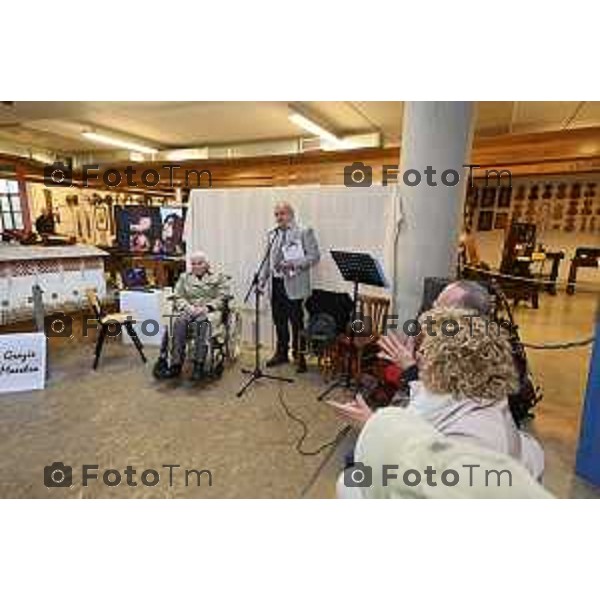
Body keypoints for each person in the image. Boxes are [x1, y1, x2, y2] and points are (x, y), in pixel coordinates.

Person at [330, 306, 545, 480]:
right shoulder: (479, 393)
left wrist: (374, 428)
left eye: (425, 352)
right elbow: (432, 408)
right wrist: (411, 370)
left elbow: (413, 477)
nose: (420, 356)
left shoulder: (470, 440)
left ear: (449, 364)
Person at [337, 406, 552, 499]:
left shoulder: (471, 437)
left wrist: (375, 424)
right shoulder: (491, 413)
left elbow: (419, 474)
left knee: (349, 479)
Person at [259, 202, 320, 373]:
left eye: (283, 213)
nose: (279, 217)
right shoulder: (272, 234)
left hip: (294, 284)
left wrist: (293, 263)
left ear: (291, 214)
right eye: (277, 214)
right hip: (276, 283)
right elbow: (266, 259)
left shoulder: (304, 231)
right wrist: (262, 280)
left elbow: (314, 257)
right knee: (279, 321)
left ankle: (299, 355)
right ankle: (281, 353)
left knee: (296, 321)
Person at [154, 251, 231, 381]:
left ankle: (198, 366)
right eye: (193, 264)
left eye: (199, 263)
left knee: (202, 323)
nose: (196, 266)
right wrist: (187, 307)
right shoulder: (185, 278)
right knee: (178, 322)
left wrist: (207, 307)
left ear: (206, 264)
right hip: (189, 308)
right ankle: (176, 365)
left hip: (209, 311)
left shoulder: (218, 277)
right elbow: (178, 296)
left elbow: (223, 297)